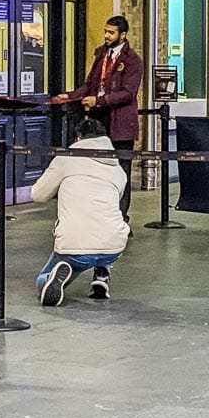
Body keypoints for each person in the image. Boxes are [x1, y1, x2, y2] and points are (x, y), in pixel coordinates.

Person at [51, 15, 142, 220]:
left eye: (111, 32)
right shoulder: (101, 54)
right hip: (99, 121)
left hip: (120, 123)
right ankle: (98, 214)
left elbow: (128, 93)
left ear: (123, 35)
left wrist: (99, 101)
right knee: (96, 167)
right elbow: (90, 84)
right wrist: (72, 96)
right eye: (105, 31)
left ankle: (120, 218)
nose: (107, 36)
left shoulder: (133, 61)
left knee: (121, 170)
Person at [31, 118, 129, 306]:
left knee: (42, 279)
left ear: (78, 139)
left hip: (74, 246)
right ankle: (101, 275)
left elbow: (38, 195)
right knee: (105, 219)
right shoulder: (118, 170)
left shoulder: (66, 158)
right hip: (114, 245)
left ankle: (57, 275)